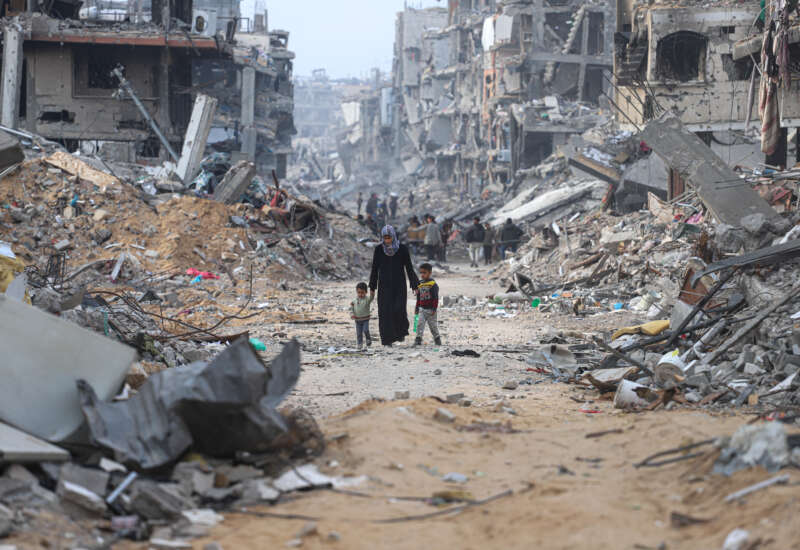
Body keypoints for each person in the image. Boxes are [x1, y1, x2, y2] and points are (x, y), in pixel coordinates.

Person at [369, 226, 419, 347]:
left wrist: (414, 284)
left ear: (393, 236)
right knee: (385, 312)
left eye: (389, 237)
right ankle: (387, 340)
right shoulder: (379, 250)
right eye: (385, 238)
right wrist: (372, 287)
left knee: (399, 309)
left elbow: (409, 267)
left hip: (399, 285)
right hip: (384, 286)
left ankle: (399, 333)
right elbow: (375, 269)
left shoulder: (402, 249)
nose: (387, 240)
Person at [414, 263, 441, 346]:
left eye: (424, 273)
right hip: (422, 309)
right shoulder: (420, 283)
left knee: (433, 326)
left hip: (431, 310)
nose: (422, 275)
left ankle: (437, 339)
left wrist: (434, 308)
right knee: (419, 324)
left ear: (429, 273)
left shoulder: (433, 284)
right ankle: (418, 339)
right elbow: (418, 297)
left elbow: (435, 298)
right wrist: (417, 307)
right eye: (421, 273)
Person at [350, 282, 373, 350]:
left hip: (365, 319)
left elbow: (371, 297)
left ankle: (368, 339)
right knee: (359, 333)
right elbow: (351, 309)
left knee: (366, 330)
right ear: (357, 292)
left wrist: (372, 293)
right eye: (359, 292)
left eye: (362, 292)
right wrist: (352, 315)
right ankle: (360, 344)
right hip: (357, 320)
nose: (360, 294)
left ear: (366, 292)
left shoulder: (367, 299)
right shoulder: (354, 301)